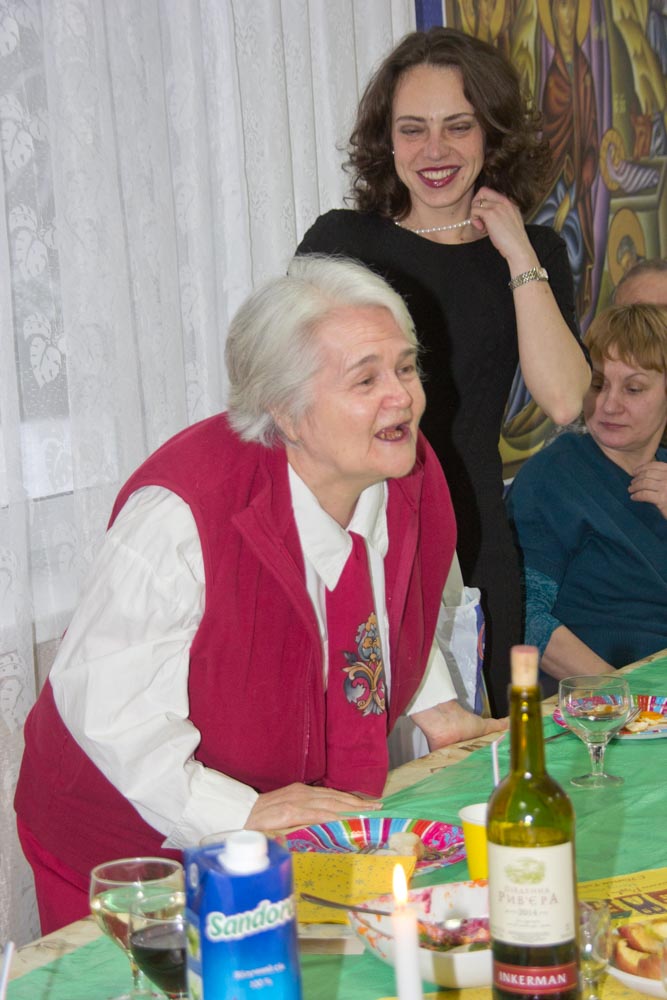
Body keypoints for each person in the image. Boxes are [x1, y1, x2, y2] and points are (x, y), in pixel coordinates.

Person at [15, 255, 505, 933]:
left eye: (405, 368)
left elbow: (392, 599)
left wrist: (435, 704)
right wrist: (237, 813)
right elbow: (106, 704)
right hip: (132, 850)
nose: (403, 397)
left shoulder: (400, 471)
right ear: (287, 412)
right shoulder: (184, 513)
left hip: (292, 830)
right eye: (366, 379)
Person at [296, 27, 590, 715]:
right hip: (355, 526)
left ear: (490, 135)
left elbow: (564, 400)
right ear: (387, 140)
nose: (435, 151)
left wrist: (517, 251)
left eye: (458, 127)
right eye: (413, 129)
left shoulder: (533, 250)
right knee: (365, 745)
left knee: (480, 745)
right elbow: (294, 395)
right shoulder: (341, 242)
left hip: (472, 535)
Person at [506, 304, 667, 696]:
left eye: (633, 389)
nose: (609, 405)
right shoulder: (553, 478)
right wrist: (623, 693)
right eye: (597, 384)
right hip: (594, 703)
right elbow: (525, 616)